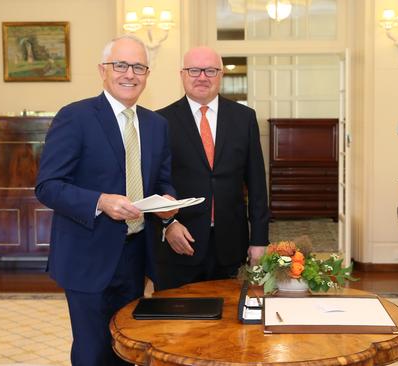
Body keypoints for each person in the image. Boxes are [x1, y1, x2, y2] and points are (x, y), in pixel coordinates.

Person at [35, 35, 176, 366]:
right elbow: (48, 186)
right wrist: (100, 201)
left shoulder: (157, 125)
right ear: (103, 70)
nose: (130, 74)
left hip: (136, 254)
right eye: (121, 65)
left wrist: (167, 201)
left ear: (147, 74)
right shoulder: (76, 117)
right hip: (87, 255)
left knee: (128, 345)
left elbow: (162, 179)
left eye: (139, 67)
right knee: (92, 350)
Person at [154, 46, 270, 290]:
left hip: (230, 245)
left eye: (210, 70)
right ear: (182, 74)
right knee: (176, 324)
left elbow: (257, 183)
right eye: (194, 70)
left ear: (221, 75)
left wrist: (259, 239)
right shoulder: (159, 121)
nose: (202, 77)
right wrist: (168, 225)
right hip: (179, 242)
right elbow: (152, 182)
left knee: (227, 323)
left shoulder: (244, 118)